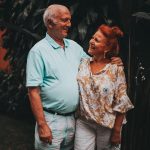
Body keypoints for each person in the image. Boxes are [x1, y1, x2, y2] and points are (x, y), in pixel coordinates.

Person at [26, 4, 123, 150]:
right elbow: (33, 91)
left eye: (69, 20)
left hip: (73, 121)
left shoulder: (74, 47)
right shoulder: (38, 52)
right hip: (51, 120)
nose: (69, 25)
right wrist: (42, 124)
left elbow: (94, 63)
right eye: (65, 20)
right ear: (51, 23)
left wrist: (112, 60)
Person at [74, 24, 134, 150]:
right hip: (84, 122)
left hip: (108, 126)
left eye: (96, 40)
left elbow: (122, 101)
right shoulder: (83, 63)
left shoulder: (115, 68)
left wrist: (117, 131)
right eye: (92, 37)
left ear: (107, 48)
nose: (91, 41)